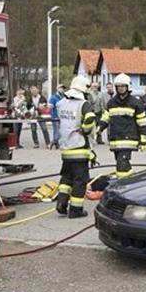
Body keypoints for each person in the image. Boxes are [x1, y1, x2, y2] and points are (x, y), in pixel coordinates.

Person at [54, 76, 96, 218]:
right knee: (80, 180)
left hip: (66, 148)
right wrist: (85, 129)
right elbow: (90, 119)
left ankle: (61, 203)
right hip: (79, 148)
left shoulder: (61, 103)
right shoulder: (83, 104)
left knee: (66, 178)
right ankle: (76, 210)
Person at [98, 73, 146, 178]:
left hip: (128, 139)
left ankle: (124, 186)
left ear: (128, 87)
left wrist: (143, 140)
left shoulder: (136, 103)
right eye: (119, 86)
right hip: (115, 139)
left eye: (123, 86)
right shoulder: (111, 102)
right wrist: (99, 129)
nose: (121, 88)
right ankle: (132, 180)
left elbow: (142, 123)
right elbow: (105, 117)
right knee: (121, 164)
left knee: (122, 164)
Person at [89, 80, 108, 144]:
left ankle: (99, 139)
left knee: (99, 126)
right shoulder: (90, 94)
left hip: (99, 112)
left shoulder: (100, 94)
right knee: (91, 127)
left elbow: (102, 103)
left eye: (96, 86)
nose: (95, 88)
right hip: (92, 112)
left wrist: (103, 110)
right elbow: (89, 103)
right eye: (94, 86)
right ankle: (90, 140)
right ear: (91, 87)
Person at [48, 84, 65, 149]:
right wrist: (52, 115)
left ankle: (55, 142)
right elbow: (50, 107)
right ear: (57, 89)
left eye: (63, 88)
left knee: (61, 131)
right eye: (61, 88)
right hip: (55, 116)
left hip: (62, 116)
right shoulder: (53, 97)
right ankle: (54, 141)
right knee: (56, 130)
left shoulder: (64, 97)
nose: (62, 89)